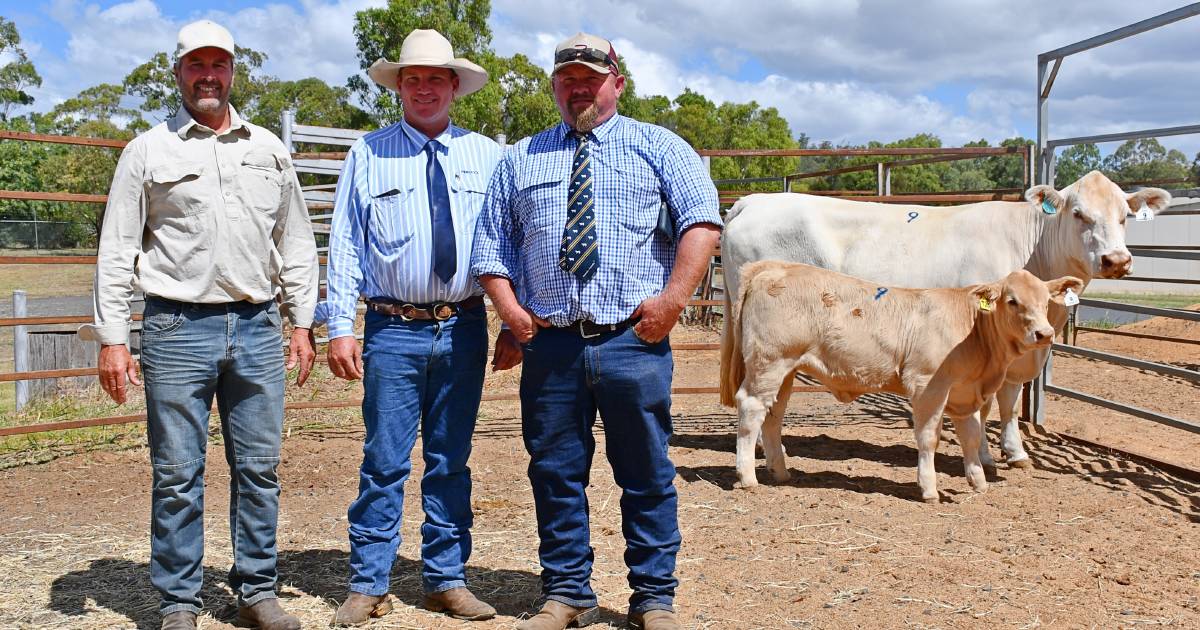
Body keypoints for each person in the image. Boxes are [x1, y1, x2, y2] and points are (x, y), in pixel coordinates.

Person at [471, 32, 722, 630]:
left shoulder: (660, 147)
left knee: (646, 471)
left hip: (632, 339)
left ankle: (653, 598)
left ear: (617, 82)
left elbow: (702, 224)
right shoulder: (522, 158)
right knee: (555, 470)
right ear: (555, 86)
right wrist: (510, 311)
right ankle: (567, 593)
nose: (578, 87)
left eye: (590, 76)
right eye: (567, 79)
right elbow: (492, 244)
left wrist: (671, 303)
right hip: (552, 343)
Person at [79, 20, 318, 630]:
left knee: (259, 467)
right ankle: (180, 600)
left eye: (219, 65)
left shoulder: (268, 149)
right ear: (179, 71)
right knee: (178, 472)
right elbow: (117, 248)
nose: (208, 76)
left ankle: (256, 588)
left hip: (259, 326)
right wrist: (113, 337)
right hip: (176, 328)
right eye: (196, 65)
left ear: (234, 72)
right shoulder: (148, 150)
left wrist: (301, 321)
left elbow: (293, 240)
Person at [323, 29, 502, 626]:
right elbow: (346, 243)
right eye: (412, 78)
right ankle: (369, 581)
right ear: (398, 87)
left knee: (451, 457)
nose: (424, 88)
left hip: (465, 325)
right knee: (384, 457)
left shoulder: (489, 156)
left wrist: (514, 321)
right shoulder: (367, 153)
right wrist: (339, 326)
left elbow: (508, 243)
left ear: (455, 85)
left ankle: (446, 578)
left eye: (435, 78)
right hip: (392, 328)